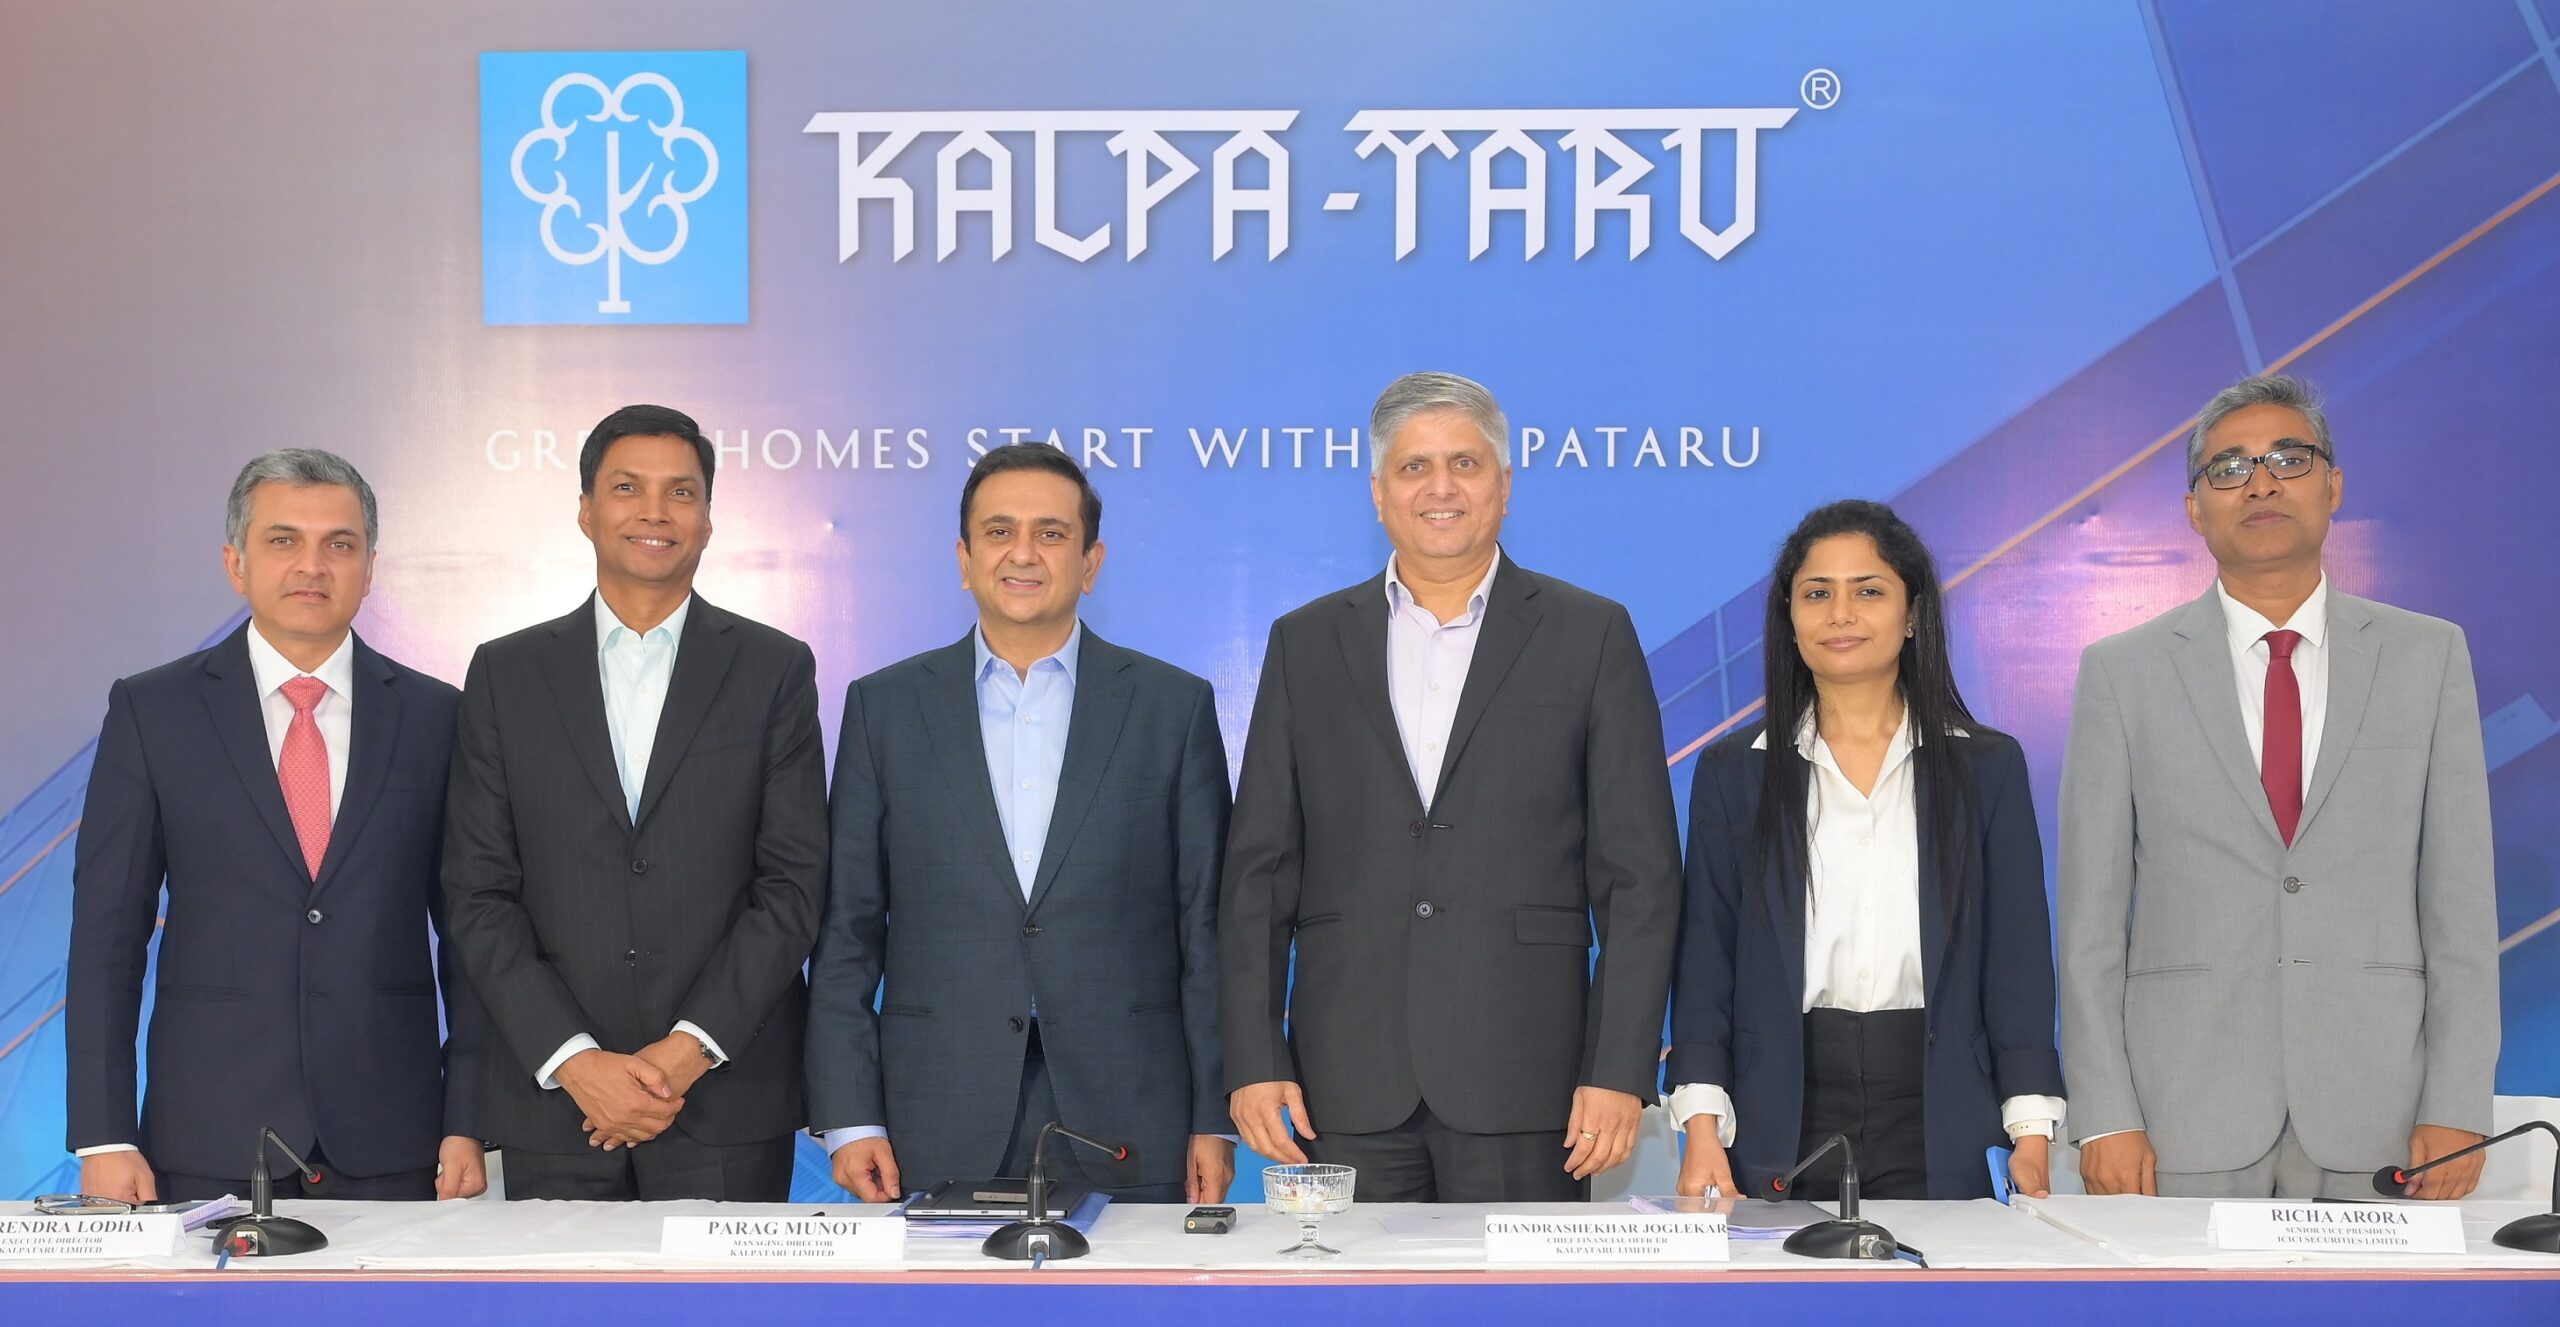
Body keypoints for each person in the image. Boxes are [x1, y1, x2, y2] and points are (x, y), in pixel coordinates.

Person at [1220, 371, 1680, 1203]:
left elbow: (1639, 876)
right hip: (1343, 1081)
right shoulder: (1305, 643)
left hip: (1531, 1081)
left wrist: (1618, 1066)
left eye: (1465, 463)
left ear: (1504, 484)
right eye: (1414, 467)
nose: (1440, 487)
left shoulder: (1591, 633)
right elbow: (1259, 874)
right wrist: (1254, 1057)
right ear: (1378, 492)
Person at [2060, 374, 2498, 1200]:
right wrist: (2105, 1112)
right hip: (2179, 1115)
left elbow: (2462, 907)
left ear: (2334, 487)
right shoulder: (2122, 672)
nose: (2260, 483)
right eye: (2229, 467)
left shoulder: (2428, 656)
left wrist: (2458, 1102)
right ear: (2194, 509)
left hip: (2385, 1116)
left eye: (2288, 459)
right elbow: (2090, 925)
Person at [807, 444, 1234, 1205]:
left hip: (1136, 1112)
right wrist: (849, 1117)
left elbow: (1206, 929)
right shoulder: (885, 708)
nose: (1024, 553)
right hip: (933, 1113)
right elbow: (847, 931)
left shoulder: (1173, 707)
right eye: (999, 532)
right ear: (965, 559)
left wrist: (1215, 1116)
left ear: (1091, 562)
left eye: (1052, 533)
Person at [68, 449, 486, 1202]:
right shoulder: (153, 712)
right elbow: (108, 935)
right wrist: (104, 1134)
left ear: (370, 567)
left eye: (340, 544)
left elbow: (471, 934)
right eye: (283, 539)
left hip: (396, 1136)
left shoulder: (438, 716)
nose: (312, 566)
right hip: (207, 1134)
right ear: (236, 562)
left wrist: (468, 1117)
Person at [440, 404, 826, 1201]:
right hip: (556, 1104)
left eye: (681, 492)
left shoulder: (774, 669)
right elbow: (477, 893)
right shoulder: (507, 674)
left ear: (709, 520)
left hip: (724, 1100)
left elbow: (793, 886)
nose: (655, 511)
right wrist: (575, 1060)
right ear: (586, 510)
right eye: (627, 487)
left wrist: (688, 1050)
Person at [1664, 500, 2063, 1201]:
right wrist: (1701, 1122)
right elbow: (1706, 958)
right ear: (1790, 618)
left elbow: (2017, 959)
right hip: (1781, 1106)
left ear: (1912, 615)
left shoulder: (1987, 767)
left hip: (1942, 1104)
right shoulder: (1735, 772)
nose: (1840, 614)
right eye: (1817, 593)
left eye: (1869, 591)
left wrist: (2030, 1128)